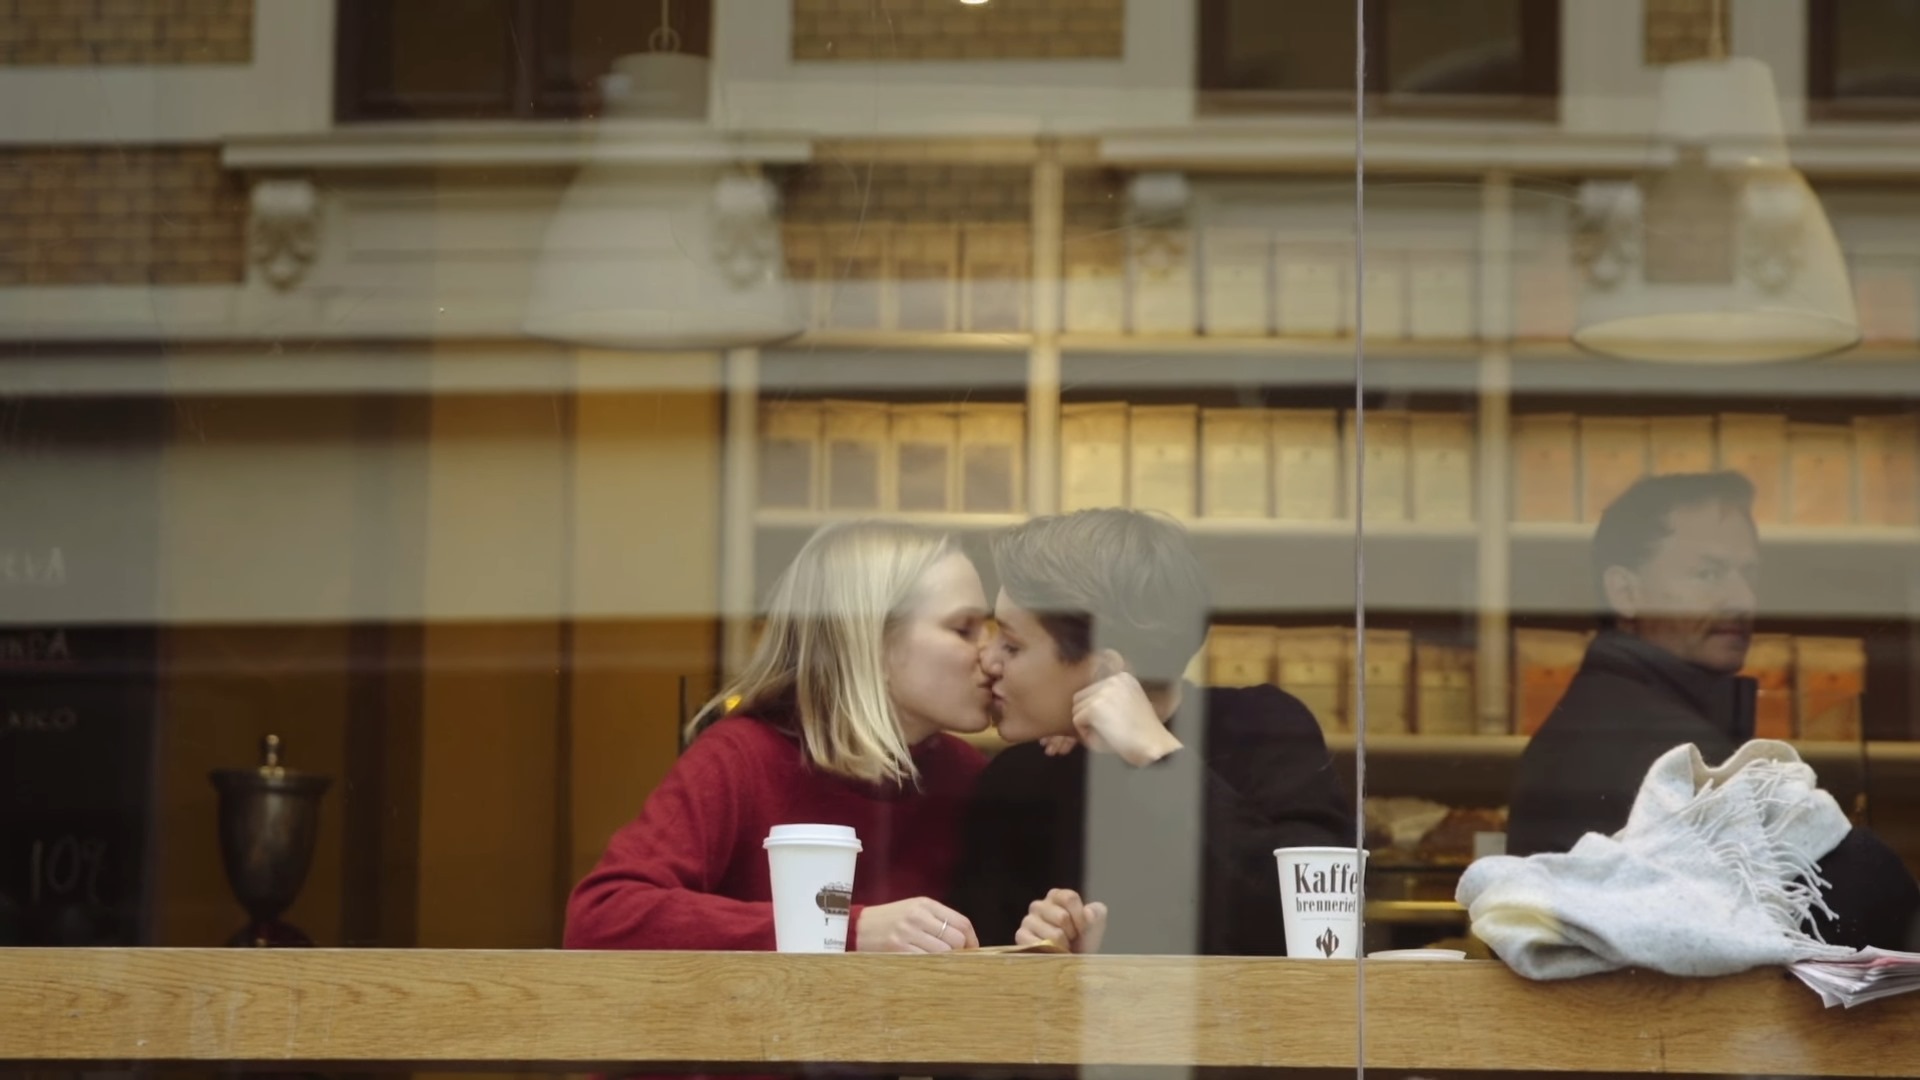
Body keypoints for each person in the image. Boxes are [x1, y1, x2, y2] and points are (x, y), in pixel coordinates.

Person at [1507, 471, 1920, 949]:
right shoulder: (1658, 744)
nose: (1742, 599)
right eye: (1708, 574)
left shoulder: (1612, 714)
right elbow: (1846, 896)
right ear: (1625, 592)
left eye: (1749, 575)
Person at [565, 520, 994, 953]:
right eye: (964, 630)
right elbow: (601, 917)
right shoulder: (740, 759)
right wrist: (845, 929)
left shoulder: (967, 775)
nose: (991, 655)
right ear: (873, 641)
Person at [948, 508, 1356, 955]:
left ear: (1105, 672)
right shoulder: (1018, 779)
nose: (987, 659)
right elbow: (980, 969)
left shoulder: (1262, 727)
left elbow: (1317, 924)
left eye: (1011, 645)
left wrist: (1160, 757)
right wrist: (1044, 955)